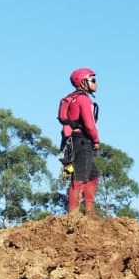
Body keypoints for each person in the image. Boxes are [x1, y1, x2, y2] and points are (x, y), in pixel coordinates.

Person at [59, 67, 100, 215]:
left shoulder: (72, 98)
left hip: (72, 141)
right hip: (83, 141)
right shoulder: (84, 100)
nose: (96, 83)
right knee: (80, 178)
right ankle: (74, 215)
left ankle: (90, 212)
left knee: (93, 176)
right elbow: (89, 125)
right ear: (83, 82)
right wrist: (96, 140)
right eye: (92, 80)